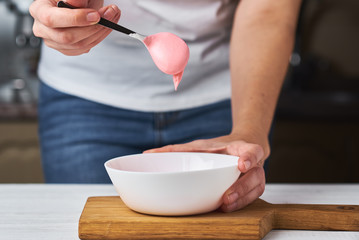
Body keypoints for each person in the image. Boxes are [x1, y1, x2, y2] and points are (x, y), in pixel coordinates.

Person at [29, 0, 302, 212]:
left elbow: (269, 11)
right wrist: (64, 10)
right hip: (84, 96)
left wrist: (249, 129)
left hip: (225, 95)